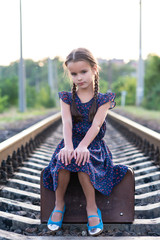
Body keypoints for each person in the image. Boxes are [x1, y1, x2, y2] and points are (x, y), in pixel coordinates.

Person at [43, 48, 128, 236]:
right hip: (70, 142)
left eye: (83, 72)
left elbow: (96, 125)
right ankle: (59, 204)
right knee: (63, 160)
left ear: (94, 69)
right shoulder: (66, 98)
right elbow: (66, 122)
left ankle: (92, 207)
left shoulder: (103, 99)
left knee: (84, 162)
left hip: (93, 146)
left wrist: (83, 146)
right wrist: (68, 146)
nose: (79, 77)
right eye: (74, 74)